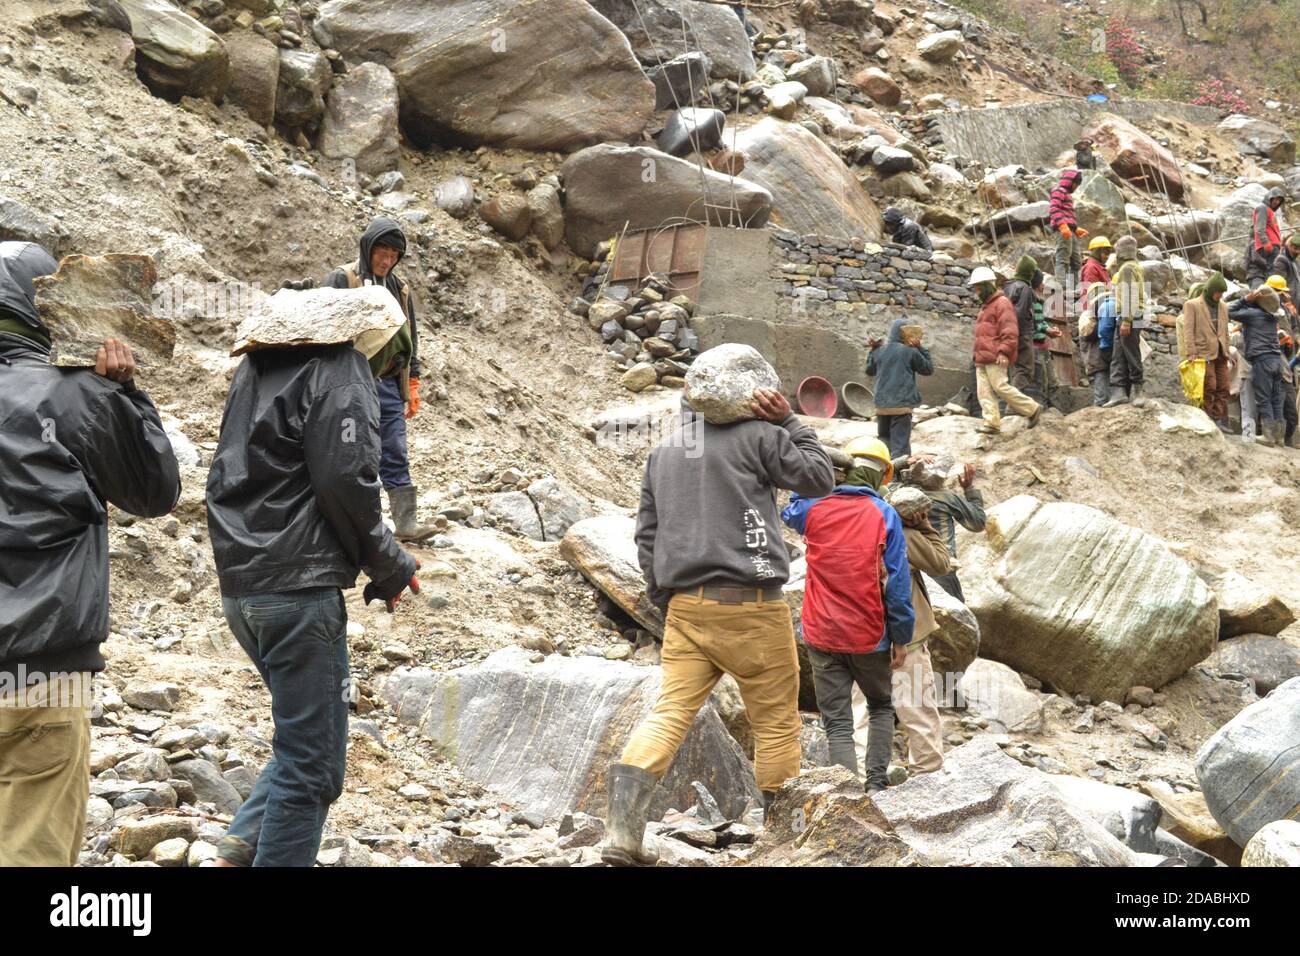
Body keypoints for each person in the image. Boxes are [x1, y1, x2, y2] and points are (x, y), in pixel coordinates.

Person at [206, 309, 421, 867]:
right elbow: (347, 480)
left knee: (303, 735)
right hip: (298, 592)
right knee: (315, 765)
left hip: (243, 589)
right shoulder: (341, 368)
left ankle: (238, 848)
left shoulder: (253, 370)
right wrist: (391, 564)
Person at [0, 241, 181, 866]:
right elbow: (155, 493)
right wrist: (125, 396)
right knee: (33, 847)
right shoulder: (80, 396)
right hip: (42, 666)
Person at [602, 385, 834, 865]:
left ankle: (621, 835)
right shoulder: (760, 437)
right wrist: (790, 421)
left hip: (687, 608)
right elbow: (818, 478)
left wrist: (665, 599)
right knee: (774, 724)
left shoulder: (664, 452)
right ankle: (778, 844)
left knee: (668, 713)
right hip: (753, 607)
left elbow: (647, 535)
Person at [780, 437, 913, 794]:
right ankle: (875, 785)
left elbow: (790, 510)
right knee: (882, 705)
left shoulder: (815, 509)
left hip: (821, 633)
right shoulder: (884, 514)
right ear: (880, 478)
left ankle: (846, 796)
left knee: (837, 722)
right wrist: (902, 637)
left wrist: (810, 481)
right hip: (869, 635)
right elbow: (899, 582)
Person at [321, 218, 436, 542]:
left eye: (393, 255)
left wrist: (412, 381)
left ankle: (406, 523)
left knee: (395, 449)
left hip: (387, 385)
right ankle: (359, 525)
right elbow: (320, 329)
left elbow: (409, 338)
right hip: (350, 384)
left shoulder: (400, 290)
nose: (386, 260)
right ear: (368, 249)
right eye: (381, 252)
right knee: (356, 452)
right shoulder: (343, 279)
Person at [850, 486, 950, 779]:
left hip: (860, 636)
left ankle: (863, 778)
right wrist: (924, 526)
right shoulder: (902, 535)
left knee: (862, 710)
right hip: (907, 636)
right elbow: (941, 564)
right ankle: (927, 775)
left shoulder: (847, 531)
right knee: (916, 708)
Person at [969, 265, 1041, 434]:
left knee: (1000, 386)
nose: (976, 291)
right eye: (975, 288)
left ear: (988, 284)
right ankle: (991, 423)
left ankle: (1032, 408)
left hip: (995, 355)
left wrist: (1004, 352)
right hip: (981, 358)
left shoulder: (1002, 303)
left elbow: (1009, 331)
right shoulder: (986, 306)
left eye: (978, 287)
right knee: (983, 392)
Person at [866, 319, 932, 459]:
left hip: (881, 406)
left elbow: (869, 370)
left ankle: (882, 473)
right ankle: (897, 476)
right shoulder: (910, 351)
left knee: (884, 441)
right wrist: (920, 348)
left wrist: (872, 351)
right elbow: (928, 369)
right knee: (900, 445)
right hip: (901, 406)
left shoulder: (879, 351)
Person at [1228, 285, 1286, 446]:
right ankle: (1279, 437)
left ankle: (1268, 437)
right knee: (1275, 399)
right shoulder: (1273, 316)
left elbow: (1228, 310)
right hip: (1276, 359)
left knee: (1264, 399)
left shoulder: (1253, 314)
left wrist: (1246, 299)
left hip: (1262, 361)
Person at [1176, 272, 1231, 433]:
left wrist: (1226, 351)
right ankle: (1205, 418)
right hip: (1203, 352)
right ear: (1210, 289)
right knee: (1209, 385)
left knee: (1224, 386)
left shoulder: (1223, 306)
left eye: (1222, 293)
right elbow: (1188, 330)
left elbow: (1225, 331)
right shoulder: (1192, 305)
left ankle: (1218, 418)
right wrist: (1191, 352)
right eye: (1218, 292)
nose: (1219, 296)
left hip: (1220, 353)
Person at [1104, 236, 1147, 406]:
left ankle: (1137, 392)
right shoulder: (1133, 267)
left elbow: (1129, 294)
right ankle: (1118, 392)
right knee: (1119, 354)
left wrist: (1127, 321)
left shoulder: (1127, 269)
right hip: (1126, 315)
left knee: (1130, 353)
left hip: (1130, 316)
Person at [1003, 255, 1040, 401]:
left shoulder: (1008, 285)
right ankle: (1013, 405)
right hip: (1022, 334)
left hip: (1007, 332)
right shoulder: (1025, 288)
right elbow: (1020, 312)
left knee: (1014, 369)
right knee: (1025, 370)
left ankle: (1011, 404)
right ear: (1030, 272)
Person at [1081, 280, 1116, 407]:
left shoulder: (1109, 310)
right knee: (1101, 398)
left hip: (1110, 360)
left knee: (1113, 397)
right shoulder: (1087, 316)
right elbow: (1087, 334)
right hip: (1097, 362)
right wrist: (1099, 318)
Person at [1048, 169, 1087, 283]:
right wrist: (1062, 226)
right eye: (1076, 184)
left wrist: (1076, 228)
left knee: (1076, 261)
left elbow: (1067, 214)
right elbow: (1054, 208)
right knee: (1063, 258)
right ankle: (1061, 286)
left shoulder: (1067, 194)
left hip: (1070, 231)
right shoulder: (1058, 190)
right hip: (1063, 230)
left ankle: (1074, 287)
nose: (1076, 187)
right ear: (1070, 181)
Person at [1031, 270, 1063, 406]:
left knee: (1051, 380)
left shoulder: (1037, 301)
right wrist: (1047, 329)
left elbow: (1040, 321)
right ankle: (1043, 408)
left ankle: (1051, 408)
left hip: (1042, 346)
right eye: (1041, 282)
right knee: (1042, 381)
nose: (1043, 285)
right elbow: (1036, 323)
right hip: (1036, 347)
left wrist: (1048, 330)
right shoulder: (1032, 301)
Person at [1245, 188, 1286, 289]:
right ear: (1269, 197)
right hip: (1269, 245)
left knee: (1271, 272)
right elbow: (1259, 228)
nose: (1277, 202)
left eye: (1279, 200)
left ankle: (1269, 293)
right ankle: (1266, 293)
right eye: (1275, 199)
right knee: (1270, 272)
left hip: (1273, 245)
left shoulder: (1268, 211)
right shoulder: (1262, 208)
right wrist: (1266, 243)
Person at [1228, 322, 1256, 440]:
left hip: (1246, 372)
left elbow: (1228, 347)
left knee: (1248, 405)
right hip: (1247, 372)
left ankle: (1249, 435)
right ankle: (1249, 435)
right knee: (1248, 405)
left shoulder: (1238, 336)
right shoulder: (1241, 336)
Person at [1080, 235, 1112, 308]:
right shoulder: (1091, 267)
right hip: (1095, 310)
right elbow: (1091, 292)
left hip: (1103, 307)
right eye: (1105, 253)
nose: (1107, 257)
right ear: (1097, 252)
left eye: (1108, 254)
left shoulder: (1099, 266)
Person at [1271, 234, 1300, 304]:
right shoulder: (1281, 260)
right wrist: (1287, 303)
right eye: (1295, 248)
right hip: (1288, 301)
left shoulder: (1295, 262)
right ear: (1289, 245)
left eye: (1299, 249)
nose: (1298, 252)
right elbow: (1278, 285)